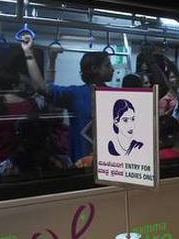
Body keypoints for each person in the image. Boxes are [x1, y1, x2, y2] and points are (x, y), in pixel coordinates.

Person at [20, 35, 114, 163]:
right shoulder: (75, 94)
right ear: (94, 69)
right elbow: (40, 87)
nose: (112, 69)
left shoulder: (115, 95)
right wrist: (28, 52)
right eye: (108, 65)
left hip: (111, 163)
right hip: (82, 164)